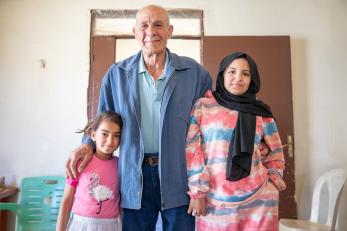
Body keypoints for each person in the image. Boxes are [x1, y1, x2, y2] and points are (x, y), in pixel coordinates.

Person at [65, 5, 212, 231]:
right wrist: (87, 145)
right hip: (134, 175)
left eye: (158, 25)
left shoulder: (194, 73)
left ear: (170, 30)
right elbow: (101, 121)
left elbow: (212, 124)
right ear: (135, 32)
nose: (151, 31)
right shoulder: (116, 75)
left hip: (179, 174)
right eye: (144, 26)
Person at [186, 52, 286, 231]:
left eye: (245, 73)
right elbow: (193, 152)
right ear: (222, 74)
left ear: (252, 78)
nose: (238, 78)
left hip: (259, 203)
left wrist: (271, 185)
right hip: (214, 202)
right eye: (232, 72)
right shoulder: (204, 106)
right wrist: (197, 193)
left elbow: (276, 153)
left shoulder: (260, 111)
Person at [57, 111, 122, 231]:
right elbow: (67, 199)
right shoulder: (80, 163)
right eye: (104, 134)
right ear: (93, 135)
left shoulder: (121, 166)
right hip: (80, 226)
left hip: (111, 226)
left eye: (116, 135)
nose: (110, 141)